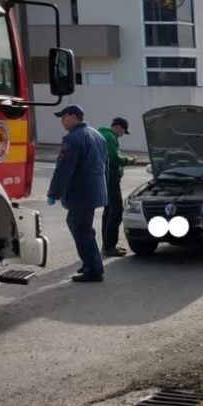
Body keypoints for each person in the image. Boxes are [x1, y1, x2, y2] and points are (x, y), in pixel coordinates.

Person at [47, 104, 109, 282]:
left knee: (81, 229)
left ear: (74, 117)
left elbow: (64, 169)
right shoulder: (97, 135)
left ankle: (93, 269)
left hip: (80, 193)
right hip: (94, 191)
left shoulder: (73, 139)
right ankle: (90, 263)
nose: (62, 121)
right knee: (81, 227)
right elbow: (106, 165)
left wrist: (54, 193)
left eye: (64, 116)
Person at [98, 117, 137, 257]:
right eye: (123, 131)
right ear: (119, 127)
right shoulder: (109, 137)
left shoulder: (104, 134)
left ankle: (107, 244)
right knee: (116, 210)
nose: (122, 135)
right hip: (111, 178)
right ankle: (110, 246)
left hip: (105, 177)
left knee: (108, 211)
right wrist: (129, 160)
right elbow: (114, 158)